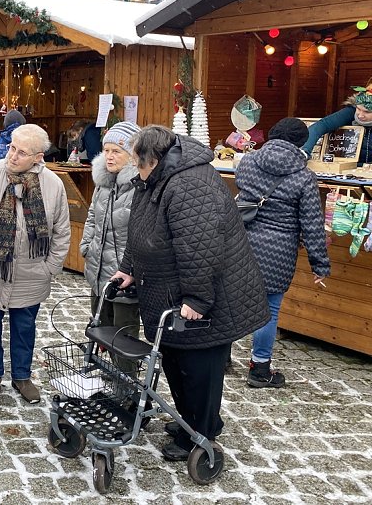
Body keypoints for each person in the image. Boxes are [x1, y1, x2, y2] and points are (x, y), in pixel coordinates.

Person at [111, 125, 268, 462]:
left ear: (153, 159)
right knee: (175, 360)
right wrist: (129, 267)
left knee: (199, 369)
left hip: (208, 298)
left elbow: (202, 248)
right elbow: (139, 231)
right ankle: (189, 421)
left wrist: (196, 299)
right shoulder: (154, 179)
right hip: (168, 292)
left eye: (138, 163)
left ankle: (200, 434)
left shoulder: (191, 184)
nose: (136, 171)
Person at [0, 124, 70, 404]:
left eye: (22, 152)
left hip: (31, 274)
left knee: (24, 328)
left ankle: (22, 376)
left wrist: (49, 268)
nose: (13, 155)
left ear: (38, 157)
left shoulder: (53, 186)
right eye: (12, 147)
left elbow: (61, 231)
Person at [236, 118, 330, 388]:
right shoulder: (303, 177)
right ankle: (259, 369)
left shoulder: (248, 162)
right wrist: (319, 265)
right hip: (279, 250)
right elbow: (311, 224)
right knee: (268, 310)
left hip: (241, 242)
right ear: (301, 142)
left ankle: (220, 356)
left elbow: (243, 191)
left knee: (230, 300)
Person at [79, 121, 142, 372]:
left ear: (132, 155)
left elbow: (143, 233)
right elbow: (93, 216)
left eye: (116, 151)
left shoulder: (139, 188)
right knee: (100, 330)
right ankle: (108, 376)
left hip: (123, 278)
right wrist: (86, 246)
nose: (109, 156)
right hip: (98, 271)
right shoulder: (103, 184)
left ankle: (130, 387)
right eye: (106, 150)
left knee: (123, 337)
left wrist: (134, 268)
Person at [302, 74, 372, 165]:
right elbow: (322, 125)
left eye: (367, 112)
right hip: (346, 167)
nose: (360, 115)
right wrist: (304, 151)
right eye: (358, 109)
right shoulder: (350, 112)